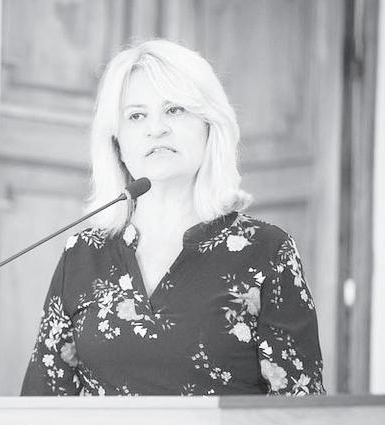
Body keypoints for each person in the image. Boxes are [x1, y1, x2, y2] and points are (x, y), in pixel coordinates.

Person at [21, 39, 325, 396]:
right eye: (136, 116)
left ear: (209, 125)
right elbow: (42, 403)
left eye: (174, 110)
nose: (156, 128)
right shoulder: (83, 253)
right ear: (117, 143)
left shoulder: (267, 251)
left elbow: (299, 409)